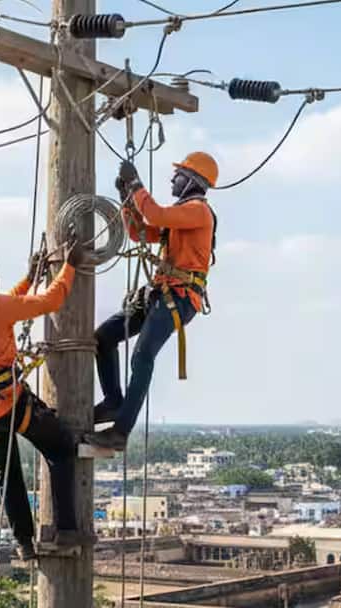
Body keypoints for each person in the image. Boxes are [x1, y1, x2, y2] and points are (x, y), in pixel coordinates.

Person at [0, 242, 86, 560]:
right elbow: (52, 300)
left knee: (7, 472)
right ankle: (66, 532)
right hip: (9, 403)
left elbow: (3, 304)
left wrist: (29, 277)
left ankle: (24, 542)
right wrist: (70, 265)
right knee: (61, 447)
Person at [85, 152, 219, 451]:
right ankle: (112, 401)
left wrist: (136, 185)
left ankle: (120, 432)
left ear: (193, 181)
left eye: (179, 174)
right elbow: (139, 232)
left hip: (180, 298)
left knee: (142, 356)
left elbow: (155, 215)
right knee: (103, 337)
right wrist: (127, 199)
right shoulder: (181, 213)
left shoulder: (198, 211)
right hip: (160, 293)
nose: (173, 179)